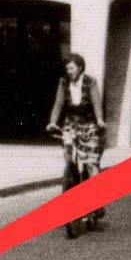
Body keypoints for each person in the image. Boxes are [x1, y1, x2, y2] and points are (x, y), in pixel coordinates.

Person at [46, 52, 107, 225]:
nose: (69, 71)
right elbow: (58, 104)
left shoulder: (91, 82)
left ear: (80, 68)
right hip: (71, 124)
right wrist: (52, 122)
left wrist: (100, 120)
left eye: (72, 68)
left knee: (91, 164)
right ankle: (70, 180)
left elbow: (96, 103)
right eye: (67, 69)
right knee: (68, 156)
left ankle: (96, 202)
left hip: (89, 125)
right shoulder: (63, 83)